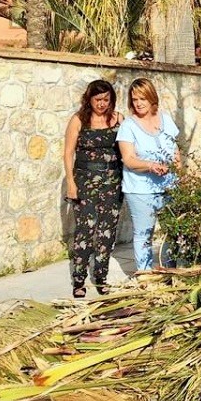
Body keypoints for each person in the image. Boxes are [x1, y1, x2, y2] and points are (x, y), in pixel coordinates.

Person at [63, 79, 124, 298]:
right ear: (89, 99)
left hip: (112, 182)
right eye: (98, 99)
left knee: (107, 232)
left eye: (106, 99)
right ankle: (79, 279)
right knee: (85, 231)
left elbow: (127, 150)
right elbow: (68, 153)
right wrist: (70, 183)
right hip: (84, 182)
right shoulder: (79, 119)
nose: (102, 104)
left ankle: (101, 277)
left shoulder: (119, 119)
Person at [116, 78, 181, 271]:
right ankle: (145, 276)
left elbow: (175, 150)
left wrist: (179, 173)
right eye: (134, 99)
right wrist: (150, 165)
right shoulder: (128, 126)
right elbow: (128, 159)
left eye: (142, 98)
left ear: (152, 98)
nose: (138, 103)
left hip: (169, 185)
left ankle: (171, 271)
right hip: (140, 189)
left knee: (173, 231)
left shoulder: (165, 119)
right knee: (144, 233)